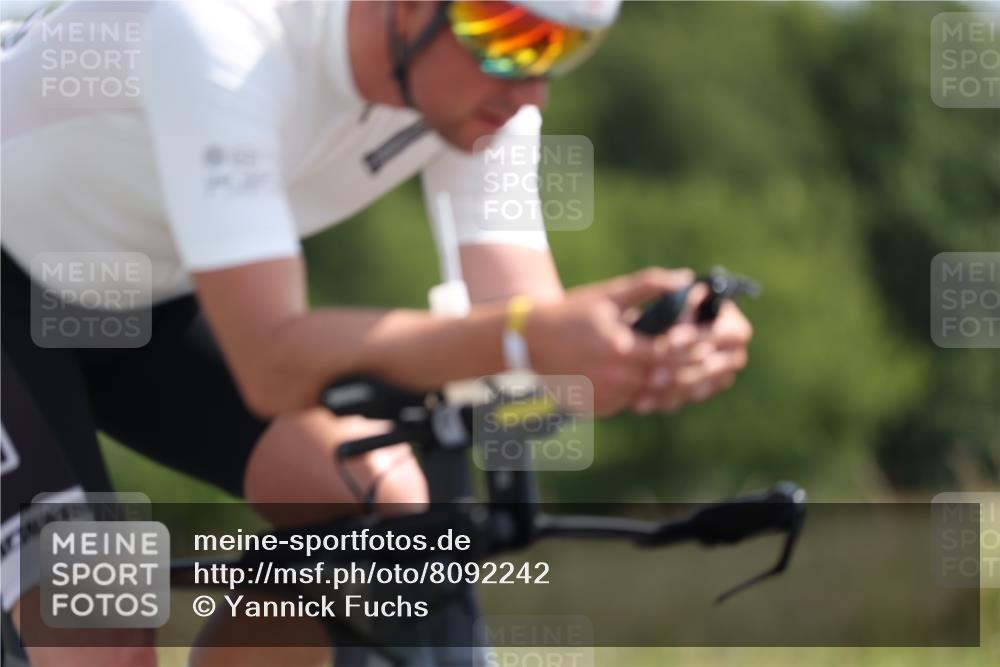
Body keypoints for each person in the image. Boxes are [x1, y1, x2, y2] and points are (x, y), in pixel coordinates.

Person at [0, 1, 753, 665]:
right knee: (101, 628)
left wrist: (639, 352)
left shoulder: (479, 95)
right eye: (507, 33)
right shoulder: (223, 29)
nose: (530, 88)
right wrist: (533, 338)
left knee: (383, 521)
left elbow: (531, 343)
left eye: (557, 48)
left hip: (151, 291)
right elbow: (270, 360)